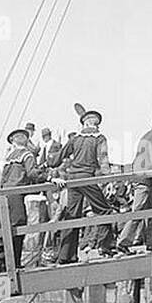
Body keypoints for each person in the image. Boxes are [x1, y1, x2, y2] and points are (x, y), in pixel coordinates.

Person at [53, 106, 116, 263]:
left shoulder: (75, 139)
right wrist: (108, 180)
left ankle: (65, 256)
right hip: (87, 178)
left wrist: (49, 167)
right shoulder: (99, 138)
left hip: (72, 179)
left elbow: (56, 159)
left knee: (72, 215)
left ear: (84, 124)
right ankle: (105, 247)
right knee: (104, 210)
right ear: (97, 124)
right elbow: (103, 160)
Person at [118, 111, 152, 253]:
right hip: (143, 180)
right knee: (138, 210)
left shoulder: (148, 136)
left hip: (148, 180)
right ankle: (123, 241)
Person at [1, 128, 45, 266]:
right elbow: (32, 173)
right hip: (16, 193)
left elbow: (4, 178)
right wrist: (46, 176)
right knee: (19, 225)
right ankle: (15, 263)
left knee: (8, 228)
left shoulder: (9, 156)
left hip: (5, 194)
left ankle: (8, 261)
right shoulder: (27, 155)